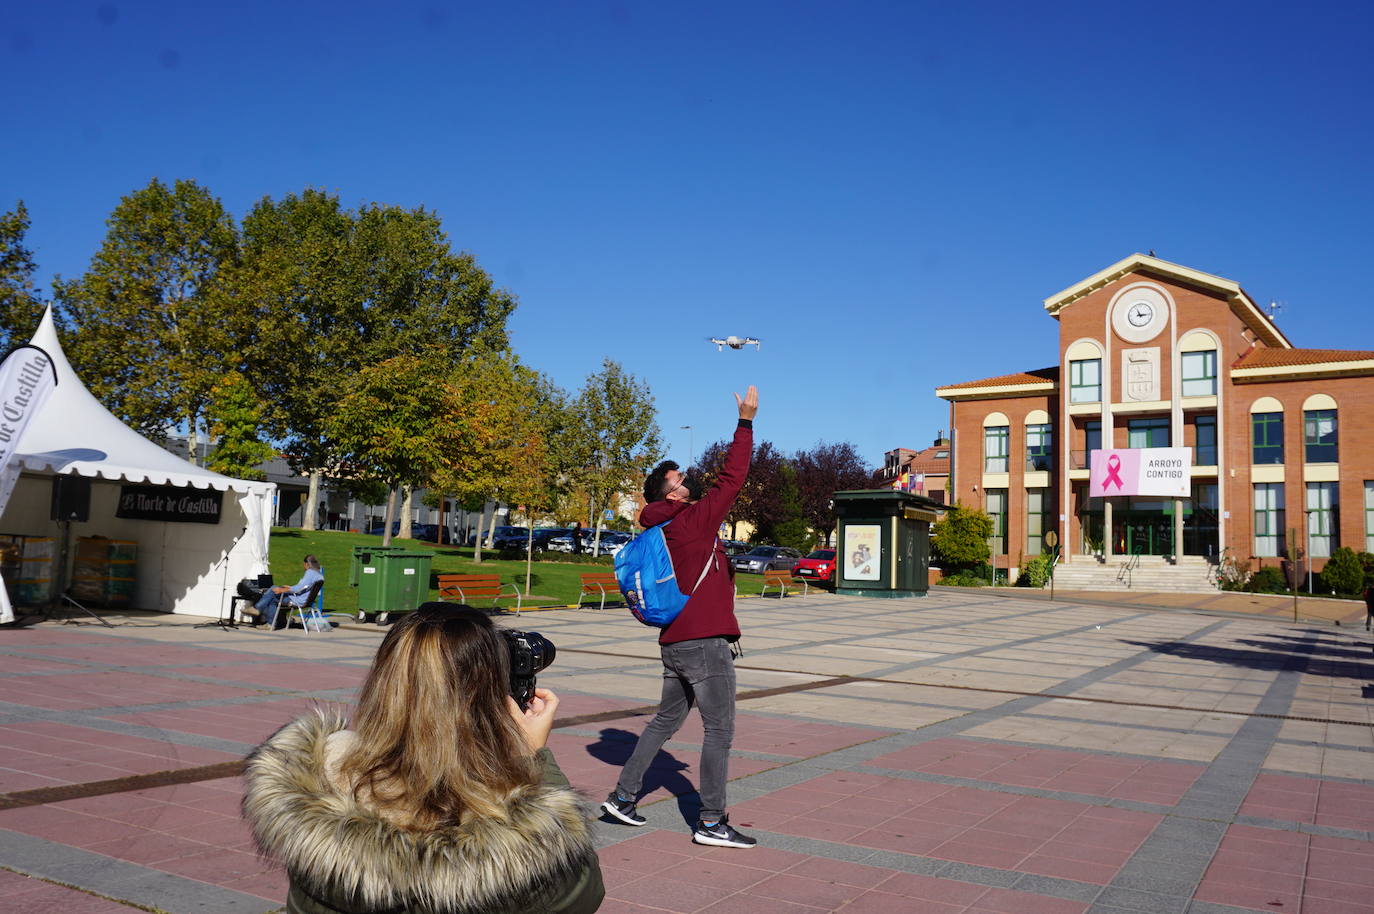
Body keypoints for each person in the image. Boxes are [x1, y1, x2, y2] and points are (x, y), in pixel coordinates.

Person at [243, 602, 604, 914]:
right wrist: (533, 759)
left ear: (385, 680)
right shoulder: (511, 843)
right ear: (489, 695)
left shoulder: (319, 780)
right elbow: (582, 891)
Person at [601, 385, 759, 848]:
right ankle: (711, 821)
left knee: (664, 721)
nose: (687, 480)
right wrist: (745, 422)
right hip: (704, 642)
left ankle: (623, 798)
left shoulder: (659, 528)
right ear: (668, 492)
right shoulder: (688, 524)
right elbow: (732, 479)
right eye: (680, 478)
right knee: (720, 729)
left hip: (675, 642)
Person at [253, 554, 324, 629]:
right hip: (306, 600)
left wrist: (282, 590)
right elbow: (304, 588)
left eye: (304, 564)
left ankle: (258, 609)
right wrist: (290, 587)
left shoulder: (310, 572)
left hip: (298, 600)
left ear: (307, 564)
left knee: (273, 590)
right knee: (273, 595)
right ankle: (268, 621)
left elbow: (299, 588)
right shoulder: (319, 575)